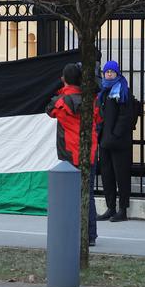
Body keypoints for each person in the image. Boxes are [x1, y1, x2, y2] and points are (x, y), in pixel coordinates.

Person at [48, 63, 99, 246]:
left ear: (64, 79)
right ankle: (90, 235)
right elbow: (99, 117)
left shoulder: (62, 101)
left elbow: (50, 110)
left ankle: (73, 232)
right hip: (90, 151)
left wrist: (64, 88)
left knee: (70, 196)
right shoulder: (91, 98)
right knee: (88, 194)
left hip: (70, 154)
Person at [96, 60, 133, 223]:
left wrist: (115, 134)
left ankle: (122, 209)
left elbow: (126, 117)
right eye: (106, 72)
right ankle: (110, 207)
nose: (109, 74)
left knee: (121, 175)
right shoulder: (103, 91)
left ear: (118, 73)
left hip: (119, 142)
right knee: (107, 174)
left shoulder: (123, 91)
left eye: (112, 72)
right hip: (104, 141)